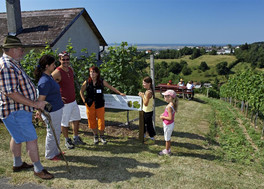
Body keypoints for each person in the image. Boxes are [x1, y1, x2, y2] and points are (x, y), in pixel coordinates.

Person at [0, 35, 53, 179]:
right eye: (20, 49)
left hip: (18, 110)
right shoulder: (7, 66)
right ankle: (38, 169)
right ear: (11, 49)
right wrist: (36, 104)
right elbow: (11, 92)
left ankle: (17, 164)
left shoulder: (13, 62)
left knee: (17, 138)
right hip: (16, 111)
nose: (23, 51)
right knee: (32, 139)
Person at [80, 66, 125, 145]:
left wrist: (119, 93)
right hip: (90, 104)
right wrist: (84, 101)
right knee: (91, 120)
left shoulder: (101, 81)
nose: (92, 74)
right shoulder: (86, 82)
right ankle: (95, 136)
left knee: (101, 121)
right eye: (90, 72)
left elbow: (111, 87)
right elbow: (81, 91)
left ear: (97, 73)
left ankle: (102, 136)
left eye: (93, 72)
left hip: (99, 104)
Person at [52, 51, 86, 150]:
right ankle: (67, 140)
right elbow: (48, 85)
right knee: (64, 123)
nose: (65, 61)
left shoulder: (70, 69)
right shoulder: (57, 72)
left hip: (73, 101)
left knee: (76, 119)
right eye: (63, 59)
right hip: (64, 103)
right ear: (60, 60)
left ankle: (76, 137)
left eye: (67, 59)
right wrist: (57, 98)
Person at [34, 55, 64, 161]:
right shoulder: (44, 81)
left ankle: (55, 151)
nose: (55, 66)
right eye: (53, 64)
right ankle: (50, 154)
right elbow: (41, 100)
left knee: (56, 131)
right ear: (47, 66)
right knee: (52, 132)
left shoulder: (49, 77)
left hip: (57, 108)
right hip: (52, 111)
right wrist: (39, 112)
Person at [159, 90, 178, 156]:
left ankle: (167, 151)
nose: (164, 97)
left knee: (167, 138)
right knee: (168, 137)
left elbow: (170, 118)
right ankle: (168, 149)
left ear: (170, 97)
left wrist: (163, 117)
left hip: (168, 124)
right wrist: (163, 114)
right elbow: (168, 114)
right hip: (169, 124)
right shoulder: (171, 104)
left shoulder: (169, 107)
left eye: (165, 96)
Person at [138, 76, 156, 144]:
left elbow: (145, 103)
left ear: (149, 83)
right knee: (144, 124)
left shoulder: (148, 92)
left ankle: (152, 138)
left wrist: (142, 96)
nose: (143, 84)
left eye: (144, 83)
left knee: (148, 125)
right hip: (147, 110)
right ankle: (144, 136)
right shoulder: (148, 91)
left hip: (147, 111)